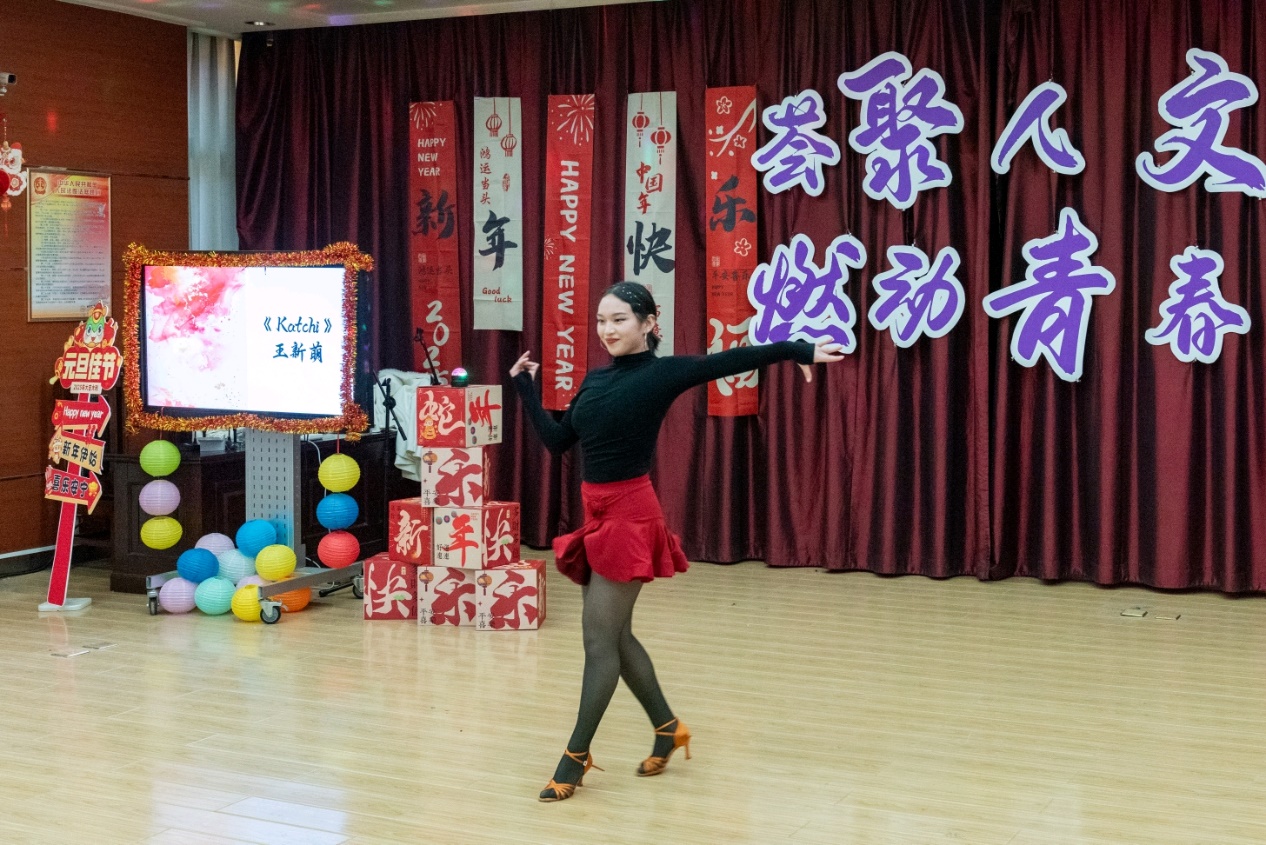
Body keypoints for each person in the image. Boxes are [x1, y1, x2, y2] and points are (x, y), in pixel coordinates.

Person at [510, 280, 843, 802]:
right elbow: (556, 442)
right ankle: (667, 728)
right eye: (601, 320)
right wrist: (525, 388)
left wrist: (795, 349)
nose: (607, 330)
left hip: (630, 517)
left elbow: (731, 360)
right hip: (596, 514)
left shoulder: (662, 374)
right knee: (616, 638)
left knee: (598, 643)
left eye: (619, 319)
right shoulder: (595, 380)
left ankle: (574, 756)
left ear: (648, 323)